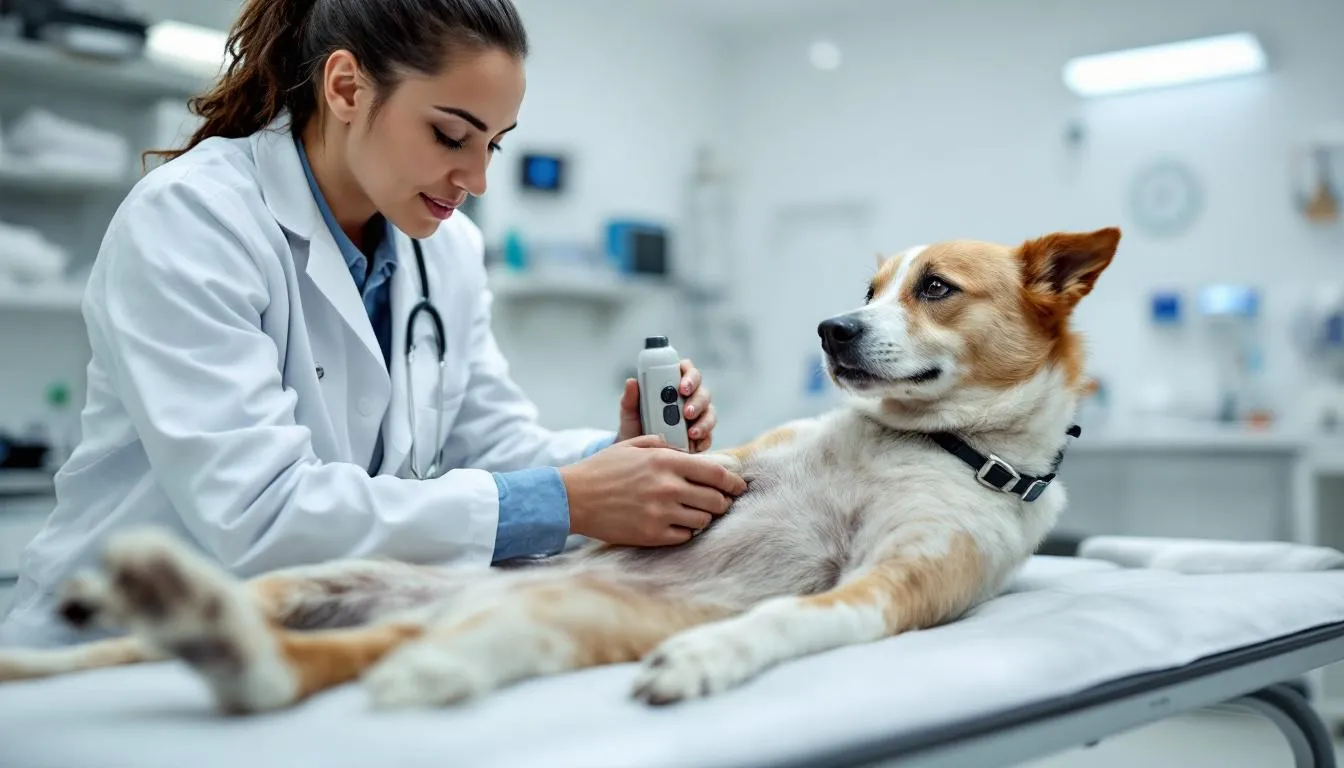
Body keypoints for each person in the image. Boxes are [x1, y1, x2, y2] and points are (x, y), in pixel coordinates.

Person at [0, 0, 746, 648]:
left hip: (281, 647)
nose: (477, 179)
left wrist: (620, 459)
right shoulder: (195, 217)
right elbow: (260, 512)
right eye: (451, 136)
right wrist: (571, 499)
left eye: (493, 144)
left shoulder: (446, 250)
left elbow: (488, 442)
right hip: (111, 649)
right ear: (347, 88)